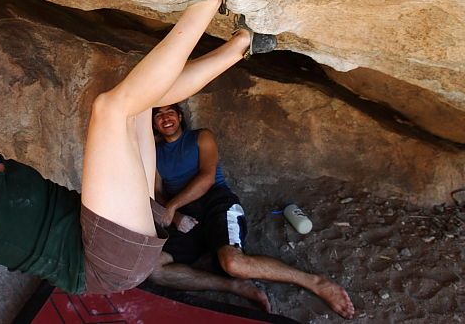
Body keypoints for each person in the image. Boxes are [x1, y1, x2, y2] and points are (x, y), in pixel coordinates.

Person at [0, 0, 276, 296]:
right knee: (110, 109)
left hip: (107, 229)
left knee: (137, 105)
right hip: (105, 258)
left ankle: (243, 43)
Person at [149, 104, 355, 319]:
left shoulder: (200, 137)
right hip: (186, 215)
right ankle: (233, 286)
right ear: (154, 124)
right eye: (159, 115)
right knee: (155, 269)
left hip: (216, 202)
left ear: (180, 116)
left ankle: (314, 282)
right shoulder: (155, 154)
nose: (165, 118)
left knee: (233, 263)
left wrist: (172, 207)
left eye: (170, 112)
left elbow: (207, 178)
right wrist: (177, 216)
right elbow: (157, 191)